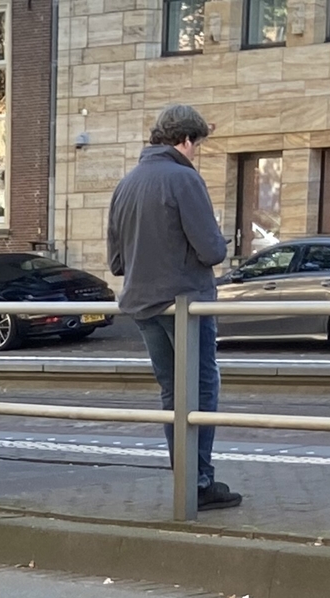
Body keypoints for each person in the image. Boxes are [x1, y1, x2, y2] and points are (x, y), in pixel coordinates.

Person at [107, 103, 240, 510]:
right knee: (200, 390)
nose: (196, 151)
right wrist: (220, 244)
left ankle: (185, 477)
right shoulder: (184, 179)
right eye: (196, 144)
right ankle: (199, 483)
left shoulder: (126, 184)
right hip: (185, 303)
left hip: (142, 306)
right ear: (185, 140)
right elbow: (211, 250)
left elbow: (116, 262)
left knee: (171, 393)